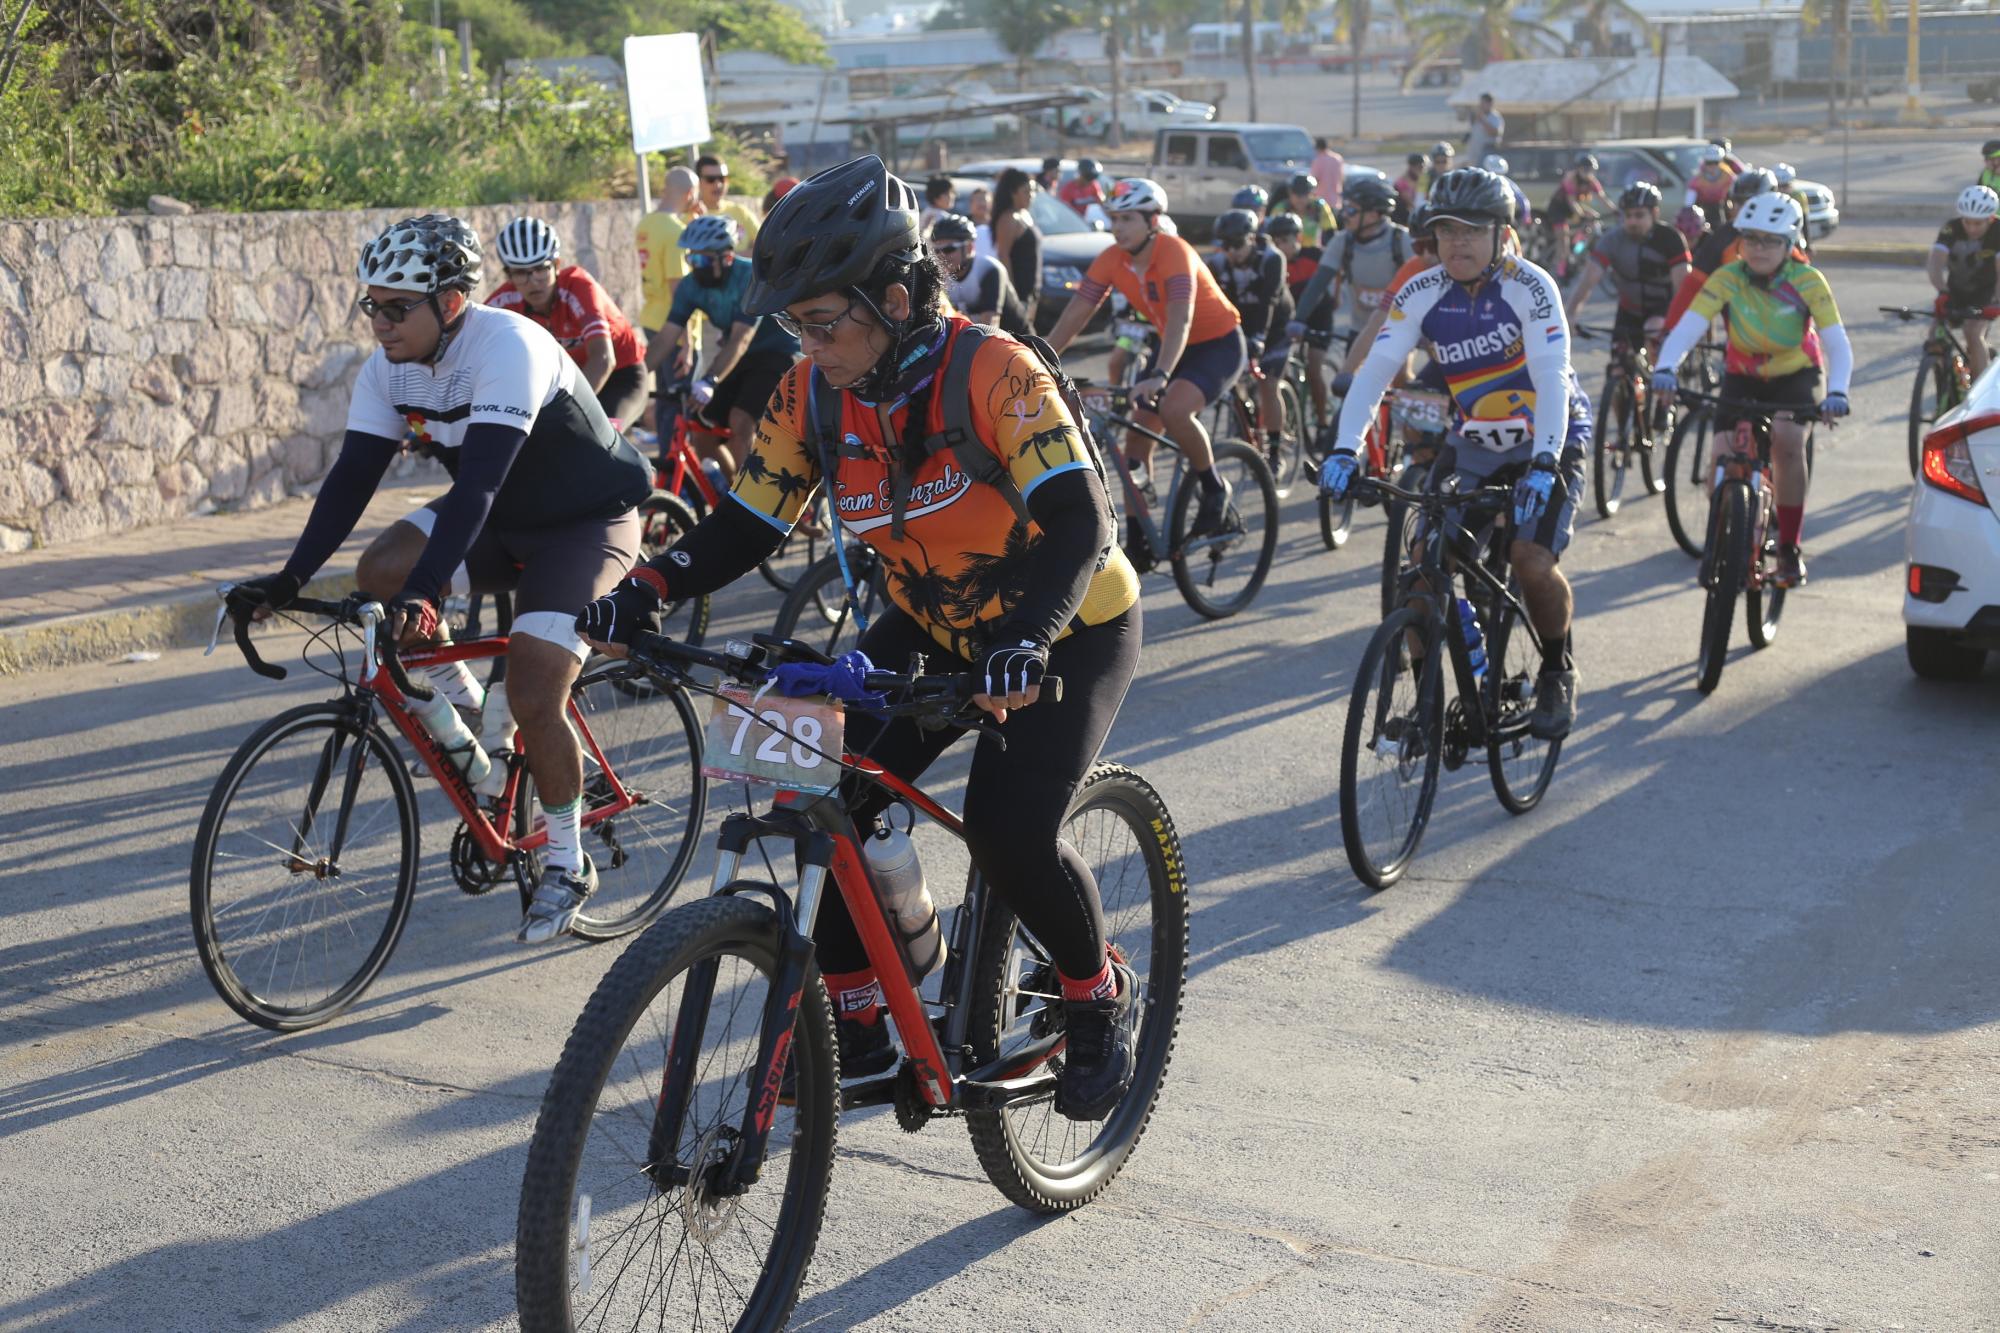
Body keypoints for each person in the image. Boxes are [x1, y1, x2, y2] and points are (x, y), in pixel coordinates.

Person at [575, 156, 1144, 1123]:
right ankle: (865, 1020)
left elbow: (1082, 524)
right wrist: (652, 586)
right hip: (929, 622)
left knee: (1009, 830)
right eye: (797, 324)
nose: (810, 343)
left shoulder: (994, 370)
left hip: (1067, 622)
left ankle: (1096, 997)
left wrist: (1028, 641)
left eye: (826, 321)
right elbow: (749, 522)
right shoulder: (812, 393)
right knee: (820, 794)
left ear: (895, 294)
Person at [227, 215, 652, 943]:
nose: (380, 323)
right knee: (380, 568)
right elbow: (351, 478)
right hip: (505, 515)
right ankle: (470, 726)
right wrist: (288, 578)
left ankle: (567, 858)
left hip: (586, 522)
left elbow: (480, 485)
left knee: (534, 680)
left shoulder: (507, 346)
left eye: (397, 307)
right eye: (372, 304)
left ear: (450, 303)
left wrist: (426, 593)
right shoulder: (388, 368)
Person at [1321, 168, 1590, 740]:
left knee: (1531, 560)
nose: (1457, 243)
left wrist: (1544, 462)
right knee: (1420, 571)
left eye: (1473, 231)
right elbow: (1375, 373)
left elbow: (1550, 377)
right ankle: (1425, 702)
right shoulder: (1423, 288)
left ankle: (1556, 668)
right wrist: (1344, 452)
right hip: (1474, 442)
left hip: (1549, 434)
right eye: (1446, 232)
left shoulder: (1531, 286)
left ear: (1502, 234)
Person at [1652, 193, 1852, 588]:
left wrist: (1839, 391)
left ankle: (1790, 548)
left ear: (1790, 242)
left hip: (1795, 372)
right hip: (1742, 373)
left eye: (1771, 241)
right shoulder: (1728, 277)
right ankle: (1727, 531)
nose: (1759, 249)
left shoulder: (1807, 280)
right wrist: (1665, 368)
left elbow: (1837, 343)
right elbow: (1690, 327)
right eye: (1752, 239)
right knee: (1723, 456)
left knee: (1788, 441)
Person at [1047, 179, 1246, 540]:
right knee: (1135, 444)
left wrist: (1160, 373)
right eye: (1113, 218)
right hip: (1171, 344)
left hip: (1217, 344)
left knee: (1173, 409)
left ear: (1153, 220)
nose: (1117, 227)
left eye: (1127, 219)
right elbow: (1077, 312)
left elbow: (1181, 318)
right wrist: (1040, 357)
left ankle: (1215, 488)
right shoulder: (1113, 258)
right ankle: (1140, 535)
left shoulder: (1174, 251)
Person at [642, 215, 801, 486]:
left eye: (702, 260)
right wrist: (635, 377)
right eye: (691, 259)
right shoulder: (691, 286)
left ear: (726, 258)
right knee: (702, 430)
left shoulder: (749, 276)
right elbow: (666, 337)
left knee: (740, 420)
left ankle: (758, 505)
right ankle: (733, 496)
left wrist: (710, 379)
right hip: (740, 356)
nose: (695, 266)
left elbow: (740, 338)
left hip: (776, 351)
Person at [487, 217, 650, 429]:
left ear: (556, 265)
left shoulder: (578, 286)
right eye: (520, 273)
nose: (533, 281)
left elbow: (603, 358)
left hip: (621, 376)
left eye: (540, 268)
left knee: (605, 440)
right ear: (508, 275)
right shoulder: (505, 301)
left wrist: (563, 411)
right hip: (567, 382)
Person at [1564, 182, 1691, 362]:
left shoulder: (1671, 238)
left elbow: (1683, 287)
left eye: (1639, 215)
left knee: (1653, 334)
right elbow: (1588, 281)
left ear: (1654, 214)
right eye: (1628, 215)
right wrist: (1570, 314)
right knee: (1618, 364)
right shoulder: (1612, 240)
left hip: (1662, 309)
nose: (1632, 222)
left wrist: (1682, 323)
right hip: (1629, 311)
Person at [1207, 208, 1294, 464]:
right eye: (1225, 245)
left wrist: (1258, 337)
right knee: (1234, 380)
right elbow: (1214, 302)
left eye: (1236, 244)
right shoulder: (1219, 262)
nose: (1231, 251)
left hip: (1275, 325)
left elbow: (1270, 300)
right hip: (1241, 323)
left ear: (1252, 238)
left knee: (1268, 384)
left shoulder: (1272, 258)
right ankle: (1245, 423)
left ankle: (1275, 451)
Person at [1663, 167, 1798, 329]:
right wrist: (1669, 329)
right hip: (1738, 336)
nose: (1742, 209)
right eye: (1737, 202)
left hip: (1785, 332)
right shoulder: (1723, 236)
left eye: (1751, 202)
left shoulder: (1788, 235)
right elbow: (1692, 287)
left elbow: (1806, 290)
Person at [1293, 177, 1412, 336]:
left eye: (1351, 210)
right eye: (1344, 207)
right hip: (1359, 331)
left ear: (1373, 215)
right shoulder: (1342, 241)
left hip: (1398, 332)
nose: (1344, 215)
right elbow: (1318, 283)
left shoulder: (1401, 240)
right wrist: (1299, 319)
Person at [1264, 212, 1334, 425]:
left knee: (1314, 371)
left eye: (1285, 240)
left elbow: (1337, 274)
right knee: (1278, 371)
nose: (1280, 246)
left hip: (1319, 318)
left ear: (1299, 238)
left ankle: (1322, 422)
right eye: (1275, 241)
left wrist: (1337, 298)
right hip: (1291, 320)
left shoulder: (1315, 255)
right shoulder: (1273, 262)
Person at [636, 165, 703, 382]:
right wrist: (688, 344)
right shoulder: (677, 232)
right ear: (690, 193)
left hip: (651, 320)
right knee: (680, 405)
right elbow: (678, 288)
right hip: (673, 330)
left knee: (665, 397)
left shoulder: (646, 223)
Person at [1929, 184, 2000, 380]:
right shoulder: (1951, 228)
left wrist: (1997, 303)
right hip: (1955, 290)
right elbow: (1935, 262)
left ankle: (1978, 394)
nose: (1971, 228)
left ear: (1990, 218)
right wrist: (1942, 290)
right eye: (1968, 222)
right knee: (1935, 336)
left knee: (1973, 333)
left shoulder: (1998, 231)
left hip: (1985, 294)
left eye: (1978, 224)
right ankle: (1945, 384)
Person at [931, 213, 1031, 337]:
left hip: (1017, 342)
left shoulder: (989, 269)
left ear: (969, 248)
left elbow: (990, 327)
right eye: (937, 250)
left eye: (949, 249)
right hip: (975, 340)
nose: (942, 256)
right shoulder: (939, 276)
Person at [1542, 153, 1608, 279]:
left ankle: (1578, 246)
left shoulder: (1592, 181)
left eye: (1591, 170)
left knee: (1594, 217)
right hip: (1558, 209)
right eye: (1585, 169)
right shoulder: (1570, 179)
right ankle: (1561, 267)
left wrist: (1615, 210)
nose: (1588, 172)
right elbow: (1572, 202)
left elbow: (1602, 198)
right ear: (1578, 169)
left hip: (1572, 208)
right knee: (1563, 239)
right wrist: (1582, 215)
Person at [992, 167, 1044, 324]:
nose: (1031, 196)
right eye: (1026, 191)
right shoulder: (1008, 219)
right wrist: (1013, 295)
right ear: (1013, 193)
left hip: (1031, 288)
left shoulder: (1025, 215)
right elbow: (1003, 255)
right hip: (1018, 290)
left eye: (1033, 191)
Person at [694, 153, 760, 244]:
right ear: (698, 182)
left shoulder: (740, 212)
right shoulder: (692, 217)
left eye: (722, 178)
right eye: (710, 179)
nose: (718, 185)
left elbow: (766, 246)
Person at [1272, 172, 1339, 246]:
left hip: (1311, 253)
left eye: (1304, 194)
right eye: (1296, 193)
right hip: (1287, 253)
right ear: (1289, 193)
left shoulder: (1319, 207)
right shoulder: (1281, 209)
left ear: (1312, 194)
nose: (1300, 198)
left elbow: (1330, 233)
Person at [1683, 144, 1737, 222]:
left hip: (1721, 209)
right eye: (1709, 163)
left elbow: (1734, 192)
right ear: (1705, 162)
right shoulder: (1698, 178)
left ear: (1720, 162)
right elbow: (1689, 202)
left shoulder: (1728, 176)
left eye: (1715, 162)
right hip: (1702, 211)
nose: (1712, 166)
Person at [1482, 154, 1533, 228]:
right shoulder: (1506, 182)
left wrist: (1526, 216)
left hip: (1493, 219)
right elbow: (1523, 200)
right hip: (1501, 219)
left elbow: (1522, 199)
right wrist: (1526, 216)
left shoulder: (1484, 182)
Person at [1466, 92, 1504, 164]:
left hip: (1488, 152)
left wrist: (1483, 120)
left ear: (1490, 104)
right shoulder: (1477, 116)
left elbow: (1495, 133)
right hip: (1475, 154)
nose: (1481, 105)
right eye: (1481, 103)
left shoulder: (1495, 117)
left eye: (1483, 103)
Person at [1311, 137, 1346, 211]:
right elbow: (1342, 178)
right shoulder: (1338, 158)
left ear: (1318, 148)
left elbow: (1315, 180)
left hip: (1321, 201)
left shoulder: (1318, 160)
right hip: (1336, 200)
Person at [1393, 152, 1426, 224]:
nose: (1422, 170)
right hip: (1403, 219)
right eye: (1420, 167)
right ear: (1411, 167)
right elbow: (1411, 204)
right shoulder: (1401, 183)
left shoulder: (1422, 180)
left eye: (1422, 167)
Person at [966, 186, 996, 260]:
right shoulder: (964, 225)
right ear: (971, 203)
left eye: (984, 200)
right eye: (978, 200)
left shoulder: (998, 225)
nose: (982, 203)